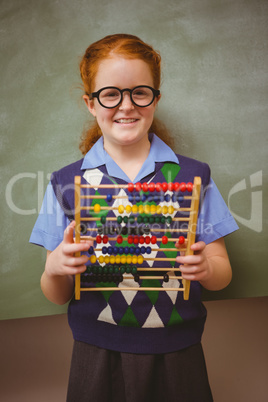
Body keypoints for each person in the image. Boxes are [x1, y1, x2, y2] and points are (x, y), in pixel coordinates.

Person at [30, 34, 238, 402]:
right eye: (110, 94)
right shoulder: (66, 183)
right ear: (90, 103)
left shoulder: (192, 177)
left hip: (179, 350)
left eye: (140, 92)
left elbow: (222, 273)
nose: (126, 106)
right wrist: (55, 269)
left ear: (156, 98)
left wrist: (206, 267)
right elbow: (55, 295)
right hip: (97, 351)